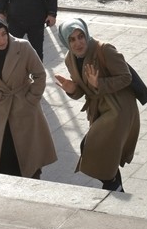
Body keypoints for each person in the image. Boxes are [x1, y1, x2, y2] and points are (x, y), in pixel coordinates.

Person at [53, 18, 140, 192]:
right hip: (100, 110)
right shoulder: (70, 59)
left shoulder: (104, 49)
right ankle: (116, 187)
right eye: (72, 39)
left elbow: (126, 77)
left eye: (81, 36)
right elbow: (83, 91)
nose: (78, 43)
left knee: (90, 146)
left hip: (118, 109)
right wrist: (72, 89)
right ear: (65, 41)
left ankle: (113, 186)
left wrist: (100, 83)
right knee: (105, 153)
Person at [0, 16, 56, 179]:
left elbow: (40, 74)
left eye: (4, 34)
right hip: (0, 109)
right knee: (5, 158)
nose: (2, 40)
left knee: (29, 159)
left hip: (23, 106)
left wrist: (30, 100)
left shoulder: (22, 47)